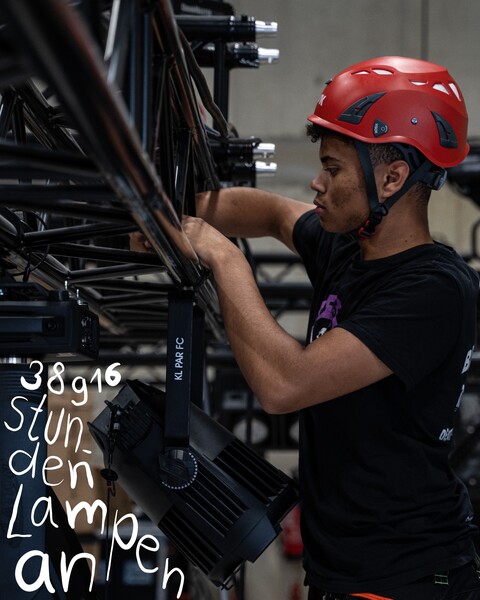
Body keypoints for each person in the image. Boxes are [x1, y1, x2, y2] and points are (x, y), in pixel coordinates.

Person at [133, 56, 480, 599]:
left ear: (392, 178)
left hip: (405, 578)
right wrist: (169, 219)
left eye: (333, 169)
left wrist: (224, 257)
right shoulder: (347, 248)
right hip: (343, 573)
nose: (317, 182)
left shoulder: (434, 288)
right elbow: (272, 213)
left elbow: (285, 384)